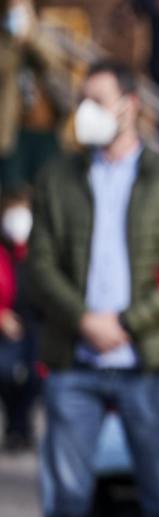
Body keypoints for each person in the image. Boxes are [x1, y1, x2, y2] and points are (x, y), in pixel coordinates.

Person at [28, 60, 159, 517]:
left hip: (147, 364)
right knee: (65, 500)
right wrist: (85, 320)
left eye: (98, 101)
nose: (86, 112)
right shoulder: (58, 177)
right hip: (75, 362)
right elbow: (40, 265)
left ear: (131, 105)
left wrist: (125, 323)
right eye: (83, 100)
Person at [0, 0, 65, 192]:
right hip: (12, 132)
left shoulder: (46, 34)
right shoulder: (5, 41)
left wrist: (32, 37)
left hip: (46, 130)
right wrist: (13, 42)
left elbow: (56, 64)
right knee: (13, 191)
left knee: (48, 188)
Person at [0, 186, 39, 450]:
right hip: (8, 321)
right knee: (5, 373)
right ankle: (14, 426)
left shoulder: (39, 248)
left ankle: (23, 427)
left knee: (35, 377)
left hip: (38, 322)